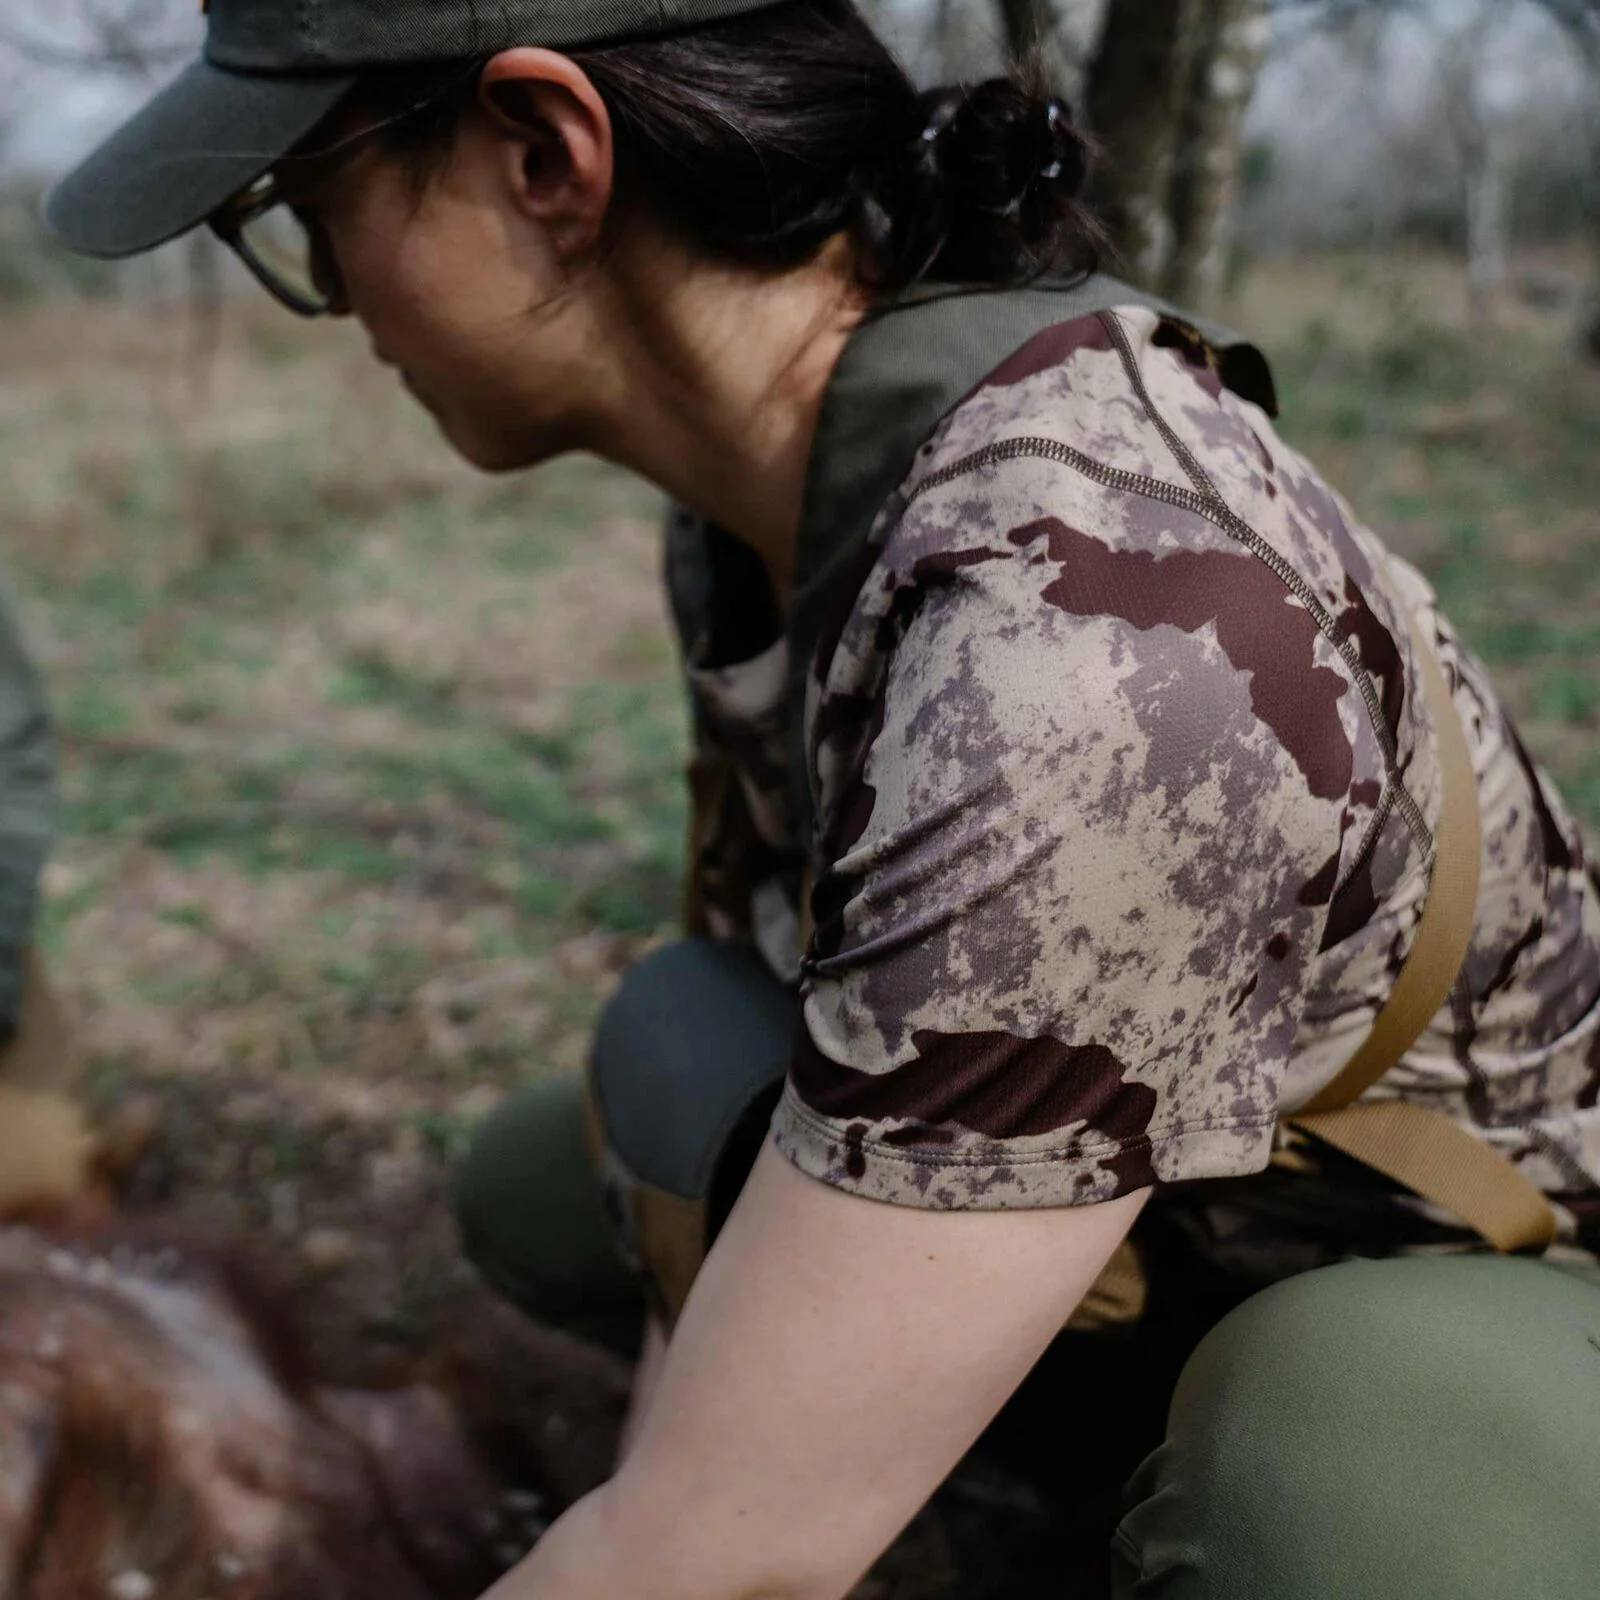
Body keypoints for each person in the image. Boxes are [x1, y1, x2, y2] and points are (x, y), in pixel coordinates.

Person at [46, 3, 1600, 1596]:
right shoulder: (771, 504)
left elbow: (718, 1566)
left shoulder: (1088, 646)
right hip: (1190, 1196)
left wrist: (703, 1533)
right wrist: (700, 1473)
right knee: (599, 1138)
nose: (338, 299)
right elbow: (792, 1008)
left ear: (544, 156)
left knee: (1352, 1480)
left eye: (315, 214)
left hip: (1475, 1265)